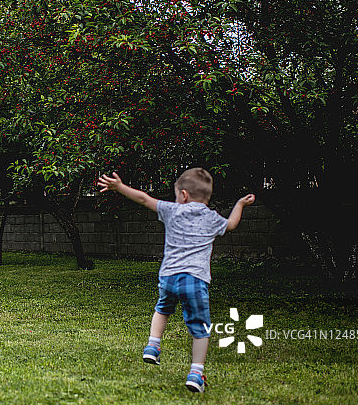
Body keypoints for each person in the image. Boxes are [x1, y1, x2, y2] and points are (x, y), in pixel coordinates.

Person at [98, 168, 255, 392]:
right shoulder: (212, 218)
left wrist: (120, 186)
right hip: (195, 280)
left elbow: (143, 198)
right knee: (200, 328)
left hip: (169, 277)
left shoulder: (173, 210)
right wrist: (239, 204)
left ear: (183, 195)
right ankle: (196, 372)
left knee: (162, 309)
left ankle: (153, 346)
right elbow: (231, 225)